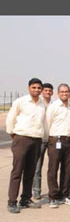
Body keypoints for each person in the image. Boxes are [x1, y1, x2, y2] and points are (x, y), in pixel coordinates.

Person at [6, 78, 47, 213]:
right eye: (34, 87)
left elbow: (44, 123)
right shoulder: (21, 101)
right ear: (29, 88)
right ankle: (12, 201)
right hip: (22, 138)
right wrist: (13, 135)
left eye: (38, 88)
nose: (36, 90)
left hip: (36, 140)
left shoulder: (42, 104)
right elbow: (11, 118)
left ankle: (25, 199)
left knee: (30, 171)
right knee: (17, 171)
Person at [45, 83, 70, 208]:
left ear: (69, 93)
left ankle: (64, 195)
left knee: (67, 170)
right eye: (62, 92)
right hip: (56, 140)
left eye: (66, 91)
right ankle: (53, 197)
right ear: (58, 93)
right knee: (53, 169)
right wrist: (49, 140)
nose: (64, 94)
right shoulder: (53, 107)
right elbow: (47, 124)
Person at [32, 82, 54, 199]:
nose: (48, 92)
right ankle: (36, 191)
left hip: (52, 139)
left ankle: (53, 191)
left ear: (52, 92)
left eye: (50, 91)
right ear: (42, 92)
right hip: (40, 139)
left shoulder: (55, 104)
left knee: (53, 167)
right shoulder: (38, 104)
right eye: (45, 90)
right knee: (37, 167)